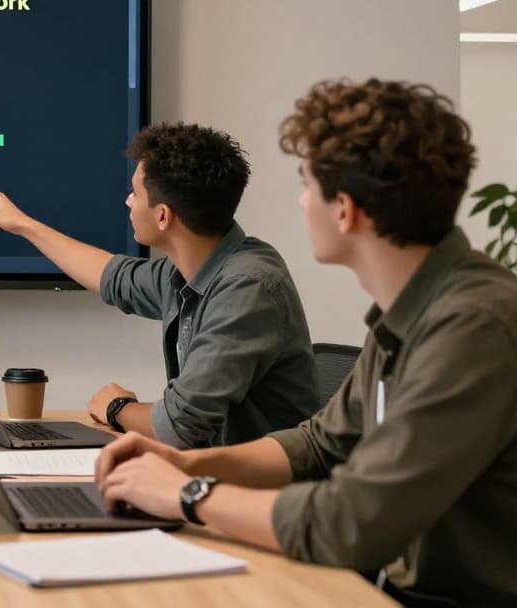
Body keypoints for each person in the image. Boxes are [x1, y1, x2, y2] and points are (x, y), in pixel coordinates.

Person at [95, 79, 517, 607]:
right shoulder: (415, 310)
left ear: (345, 210)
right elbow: (319, 444)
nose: (299, 201)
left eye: (306, 184)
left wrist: (187, 494)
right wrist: (188, 465)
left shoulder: (472, 326)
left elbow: (348, 521)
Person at [0, 123, 317, 447]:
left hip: (255, 503)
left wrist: (117, 407)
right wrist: (22, 224)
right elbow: (112, 277)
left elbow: (180, 425)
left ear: (163, 215)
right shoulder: (189, 270)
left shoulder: (246, 287)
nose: (128, 202)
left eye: (134, 193)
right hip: (206, 480)